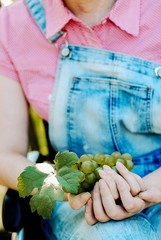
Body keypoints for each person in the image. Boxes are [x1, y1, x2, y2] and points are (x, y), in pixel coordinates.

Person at [0, 0, 161, 239]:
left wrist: (152, 188)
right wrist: (63, 185)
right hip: (76, 196)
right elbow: (5, 155)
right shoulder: (12, 26)